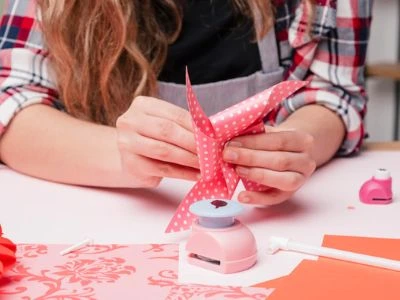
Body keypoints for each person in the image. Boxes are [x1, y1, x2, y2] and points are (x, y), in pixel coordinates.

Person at [0, 0, 371, 205]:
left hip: (263, 221)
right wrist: (121, 153)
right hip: (109, 212)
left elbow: (334, 91)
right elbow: (12, 102)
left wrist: (292, 146)